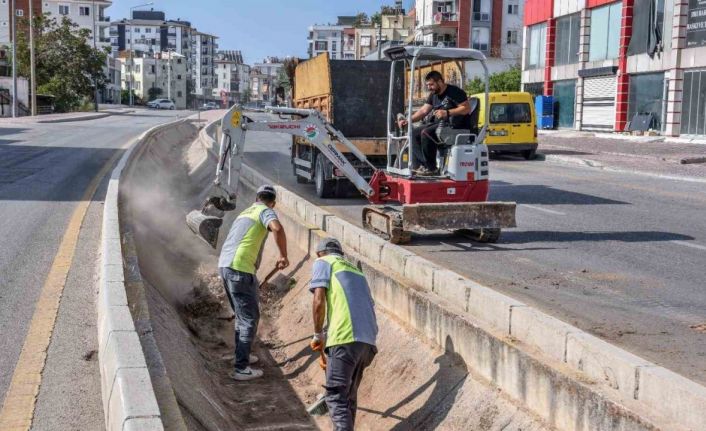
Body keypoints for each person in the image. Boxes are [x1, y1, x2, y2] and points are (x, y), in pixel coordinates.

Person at [219, 185, 289, 381]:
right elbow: (277, 228)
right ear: (273, 203)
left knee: (242, 317)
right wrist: (283, 255)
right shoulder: (265, 211)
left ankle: (242, 356)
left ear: (256, 197)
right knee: (249, 318)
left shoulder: (245, 212)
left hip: (225, 265)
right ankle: (241, 368)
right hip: (240, 268)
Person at [309, 238, 378, 431]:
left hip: (344, 337)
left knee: (336, 397)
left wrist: (317, 334)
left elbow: (319, 300)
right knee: (348, 397)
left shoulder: (323, 263)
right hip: (367, 341)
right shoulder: (357, 272)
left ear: (320, 253)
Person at [398, 70, 472, 176]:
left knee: (425, 132)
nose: (429, 87)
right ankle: (425, 165)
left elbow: (466, 108)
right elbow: (423, 111)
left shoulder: (455, 92)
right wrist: (408, 120)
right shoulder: (433, 95)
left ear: (440, 81)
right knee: (413, 133)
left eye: (431, 84)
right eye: (428, 85)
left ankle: (431, 168)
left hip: (454, 127)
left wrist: (447, 112)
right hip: (438, 126)